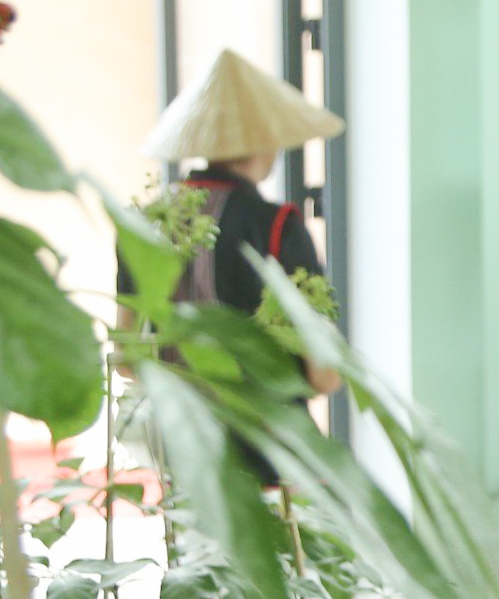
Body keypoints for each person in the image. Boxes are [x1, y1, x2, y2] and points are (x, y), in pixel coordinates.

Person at [127, 47, 345, 422]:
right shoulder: (277, 226)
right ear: (266, 139)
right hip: (273, 445)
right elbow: (323, 375)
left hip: (185, 442)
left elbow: (130, 359)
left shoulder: (146, 224)